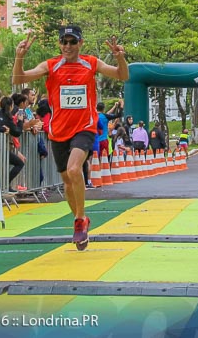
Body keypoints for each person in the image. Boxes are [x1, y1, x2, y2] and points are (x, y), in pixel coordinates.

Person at [12, 25, 128, 251]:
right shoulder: (51, 65)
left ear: (80, 43)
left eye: (72, 42)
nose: (67, 46)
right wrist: (19, 57)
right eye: (64, 42)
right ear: (59, 44)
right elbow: (19, 79)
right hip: (58, 131)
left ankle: (79, 220)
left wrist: (120, 58)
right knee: (67, 180)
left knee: (75, 170)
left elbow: (122, 75)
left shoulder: (91, 63)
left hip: (84, 127)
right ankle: (81, 219)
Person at [0, 95, 26, 192]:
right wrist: (20, 121)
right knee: (19, 163)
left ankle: (4, 184)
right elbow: (17, 132)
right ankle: (5, 183)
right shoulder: (8, 118)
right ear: (11, 106)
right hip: (2, 147)